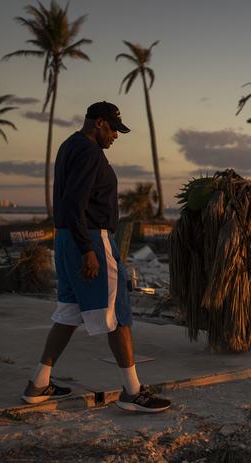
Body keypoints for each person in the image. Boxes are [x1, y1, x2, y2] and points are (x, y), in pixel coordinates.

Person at [21, 101, 171, 413]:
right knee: (119, 316)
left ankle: (38, 384)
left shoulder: (68, 146)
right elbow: (76, 203)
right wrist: (89, 250)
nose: (116, 136)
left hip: (65, 238)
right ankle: (132, 392)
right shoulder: (90, 152)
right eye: (114, 129)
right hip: (89, 238)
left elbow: (69, 203)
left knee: (67, 314)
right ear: (99, 123)